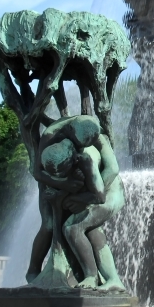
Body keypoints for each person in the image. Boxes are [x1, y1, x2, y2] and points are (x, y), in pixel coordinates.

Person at [28, 114, 126, 291]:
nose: (82, 147)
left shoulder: (87, 155)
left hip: (106, 191)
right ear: (71, 131)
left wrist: (82, 198)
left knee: (73, 227)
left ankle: (93, 277)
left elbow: (109, 176)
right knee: (88, 229)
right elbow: (38, 172)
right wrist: (64, 185)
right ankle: (111, 279)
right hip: (90, 191)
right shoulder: (51, 136)